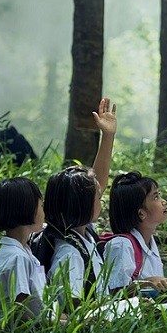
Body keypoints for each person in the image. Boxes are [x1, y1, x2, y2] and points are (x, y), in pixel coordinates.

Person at [34, 98, 117, 309]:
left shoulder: (81, 233)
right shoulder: (69, 253)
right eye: (98, 197)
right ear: (83, 205)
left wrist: (108, 137)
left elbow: (97, 182)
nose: (102, 198)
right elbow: (71, 306)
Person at [102, 171, 167, 294]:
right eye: (156, 197)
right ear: (141, 213)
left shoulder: (150, 243)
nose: (163, 201)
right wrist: (147, 282)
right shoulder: (121, 246)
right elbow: (114, 294)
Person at [0, 177, 47, 321]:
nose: (44, 212)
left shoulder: (22, 250)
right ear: (28, 209)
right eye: (41, 206)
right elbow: (21, 313)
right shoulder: (17, 257)